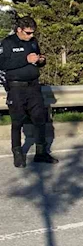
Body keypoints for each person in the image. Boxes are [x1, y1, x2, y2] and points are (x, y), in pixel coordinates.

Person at [0, 17, 58, 168]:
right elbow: (2, 63)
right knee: (17, 121)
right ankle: (18, 154)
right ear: (19, 30)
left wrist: (41, 60)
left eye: (33, 32)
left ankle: (41, 153)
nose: (31, 35)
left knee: (40, 119)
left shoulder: (33, 42)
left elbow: (37, 59)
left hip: (34, 87)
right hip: (16, 88)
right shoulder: (8, 42)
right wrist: (25, 59)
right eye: (28, 33)